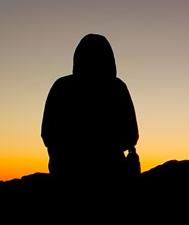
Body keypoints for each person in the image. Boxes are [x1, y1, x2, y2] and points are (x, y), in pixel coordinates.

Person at [41, 34, 139, 177]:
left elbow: (48, 133)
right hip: (111, 170)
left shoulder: (62, 87)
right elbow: (131, 134)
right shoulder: (117, 87)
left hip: (67, 169)